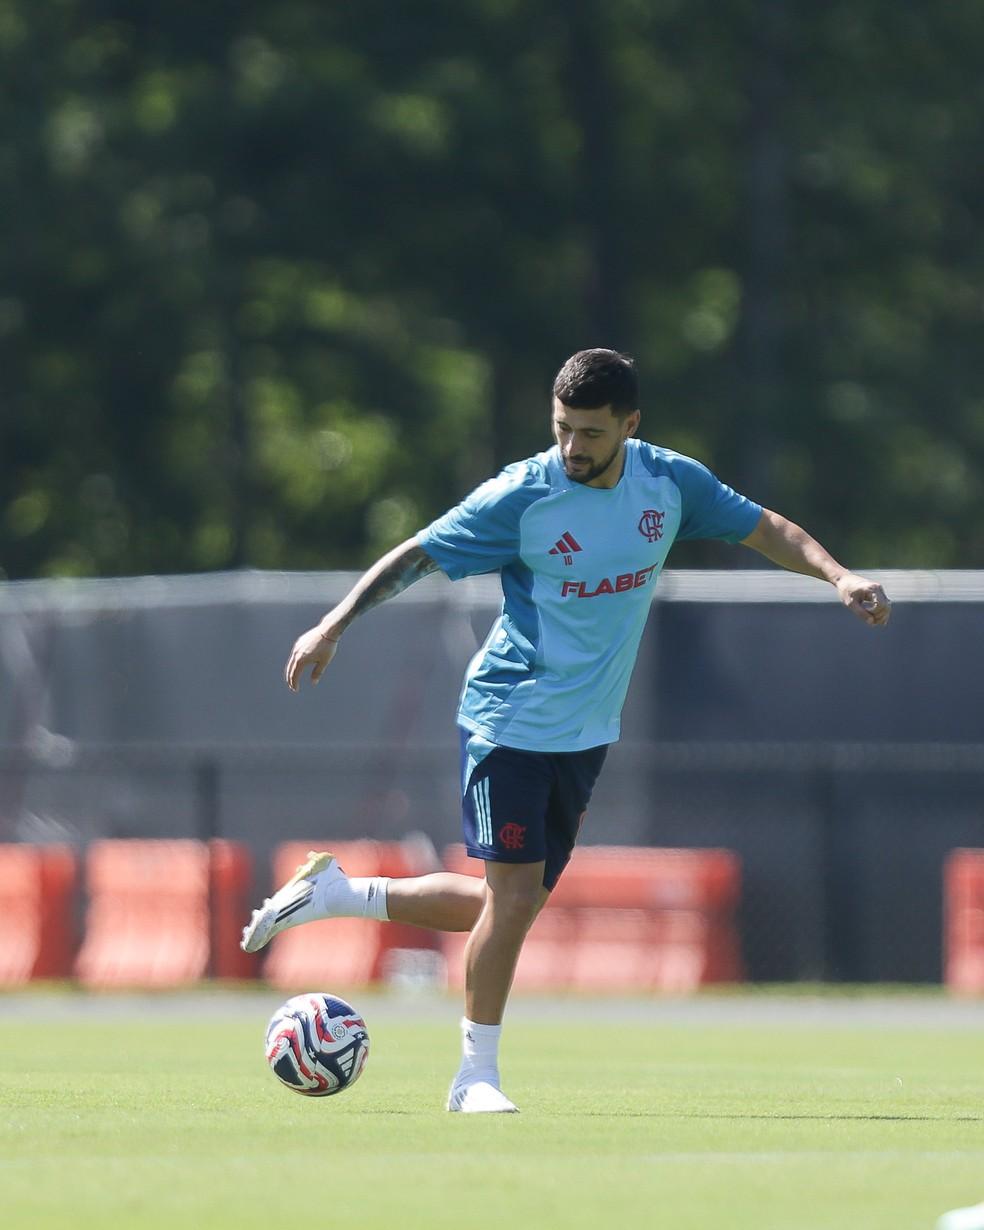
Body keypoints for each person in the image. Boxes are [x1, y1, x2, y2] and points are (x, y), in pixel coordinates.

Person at [241, 348, 891, 1113]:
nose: (572, 447)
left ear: (630, 425)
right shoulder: (523, 495)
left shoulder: (669, 484)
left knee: (506, 904)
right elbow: (416, 553)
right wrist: (334, 624)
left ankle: (340, 893)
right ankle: (473, 1077)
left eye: (589, 432)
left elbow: (766, 529)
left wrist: (839, 575)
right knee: (512, 902)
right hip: (509, 716)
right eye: (562, 429)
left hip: (585, 733)